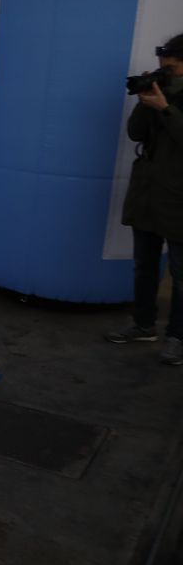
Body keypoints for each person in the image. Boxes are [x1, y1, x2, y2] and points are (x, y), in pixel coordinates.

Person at [105, 34, 183, 365]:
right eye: (163, 67)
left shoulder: (171, 101)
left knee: (181, 275)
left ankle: (178, 338)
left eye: (173, 68)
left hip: (178, 197)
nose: (166, 73)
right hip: (148, 194)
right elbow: (136, 133)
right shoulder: (158, 93)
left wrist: (166, 108)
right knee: (144, 266)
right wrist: (145, 99)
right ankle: (143, 324)